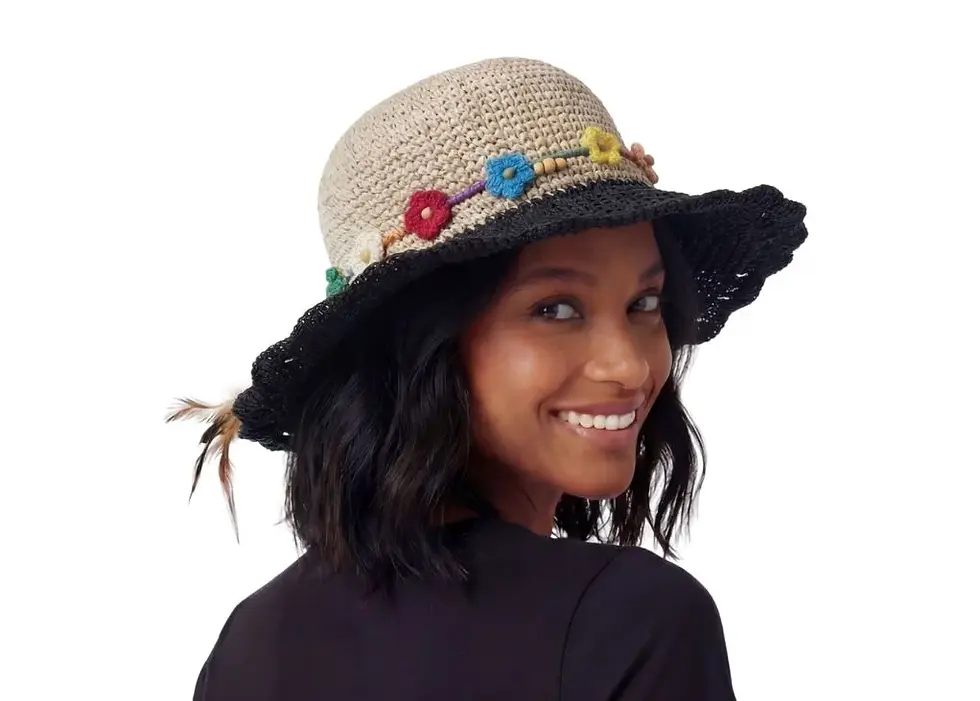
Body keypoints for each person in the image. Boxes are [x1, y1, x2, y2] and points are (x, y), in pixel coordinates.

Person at [170, 57, 808, 700]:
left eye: (644, 304)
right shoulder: (630, 620)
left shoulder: (250, 638)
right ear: (419, 347)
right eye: (555, 309)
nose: (630, 365)